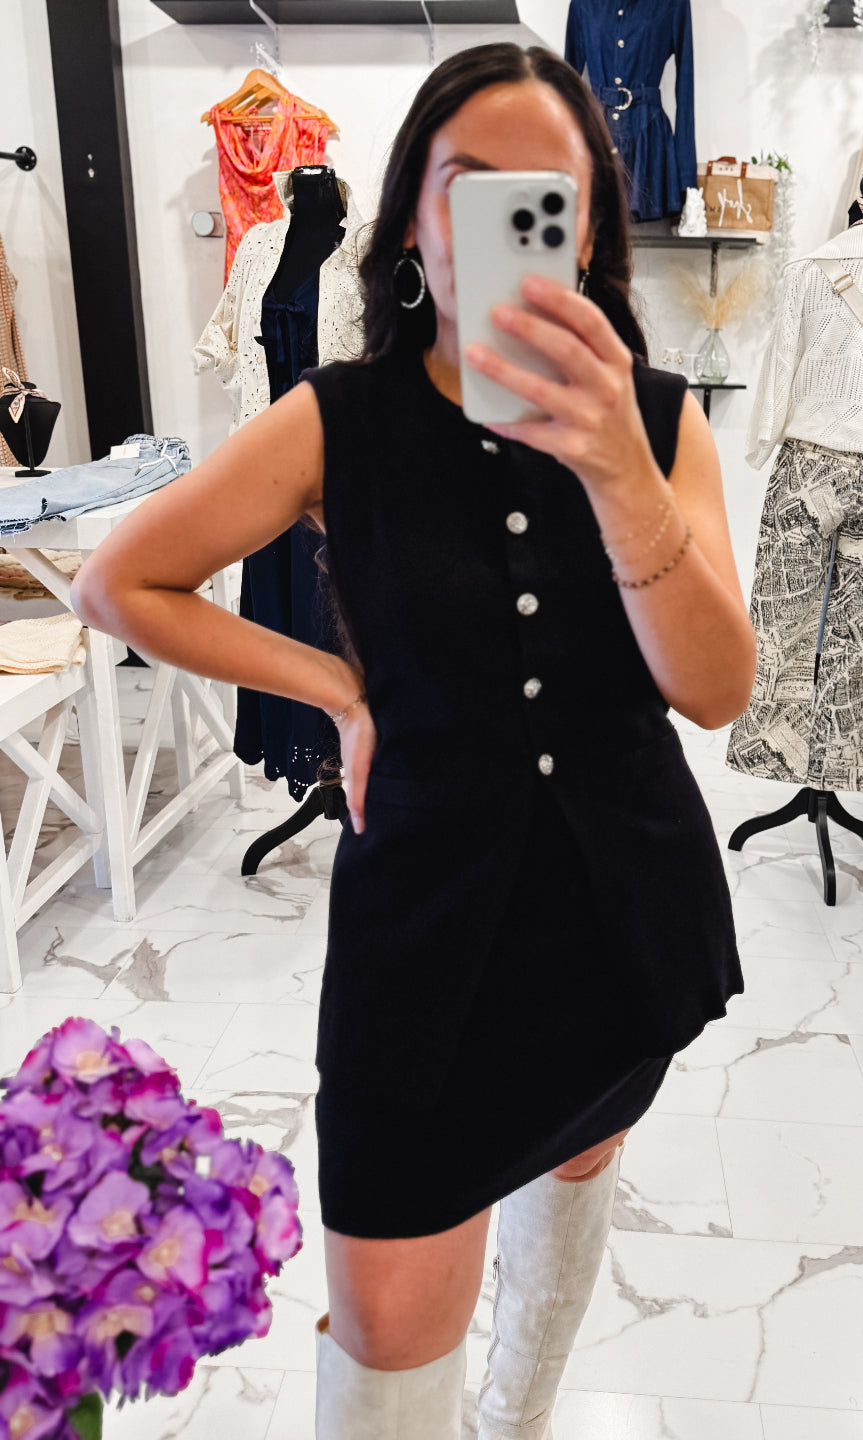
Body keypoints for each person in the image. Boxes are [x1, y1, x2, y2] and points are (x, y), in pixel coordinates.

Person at [71, 42, 755, 1440]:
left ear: (587, 227)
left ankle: (519, 1420)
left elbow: (715, 690)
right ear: (411, 221)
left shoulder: (661, 422)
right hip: (423, 920)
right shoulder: (343, 419)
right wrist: (335, 687)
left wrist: (615, 466)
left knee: (579, 1162)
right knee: (387, 1323)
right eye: (469, 186)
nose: (504, 222)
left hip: (622, 903)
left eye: (545, 195)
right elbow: (119, 582)